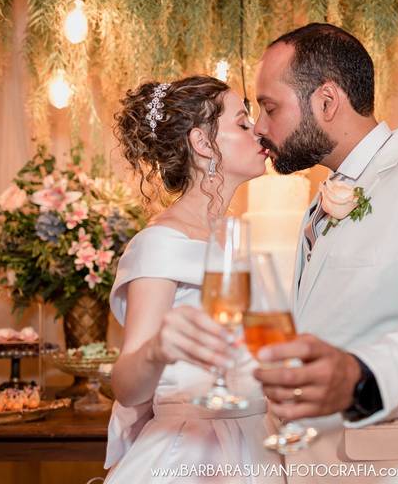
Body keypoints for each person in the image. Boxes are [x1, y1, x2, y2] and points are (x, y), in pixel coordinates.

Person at [252, 23, 398, 483]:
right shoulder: (321, 200)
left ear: (326, 101)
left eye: (270, 107)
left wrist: (359, 378)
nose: (261, 128)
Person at [104, 76, 282, 483]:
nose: (258, 131)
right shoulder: (161, 242)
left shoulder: (234, 238)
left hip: (257, 444)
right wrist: (157, 350)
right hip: (191, 452)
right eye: (242, 122)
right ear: (202, 143)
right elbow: (127, 388)